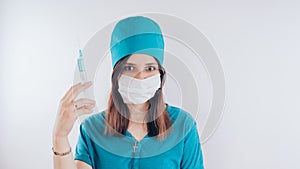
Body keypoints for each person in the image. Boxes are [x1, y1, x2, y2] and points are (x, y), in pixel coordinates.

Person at [52, 16, 205, 169]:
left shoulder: (183, 126)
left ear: (160, 74)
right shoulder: (93, 129)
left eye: (150, 68)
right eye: (129, 68)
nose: (141, 77)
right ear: (116, 74)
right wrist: (60, 137)